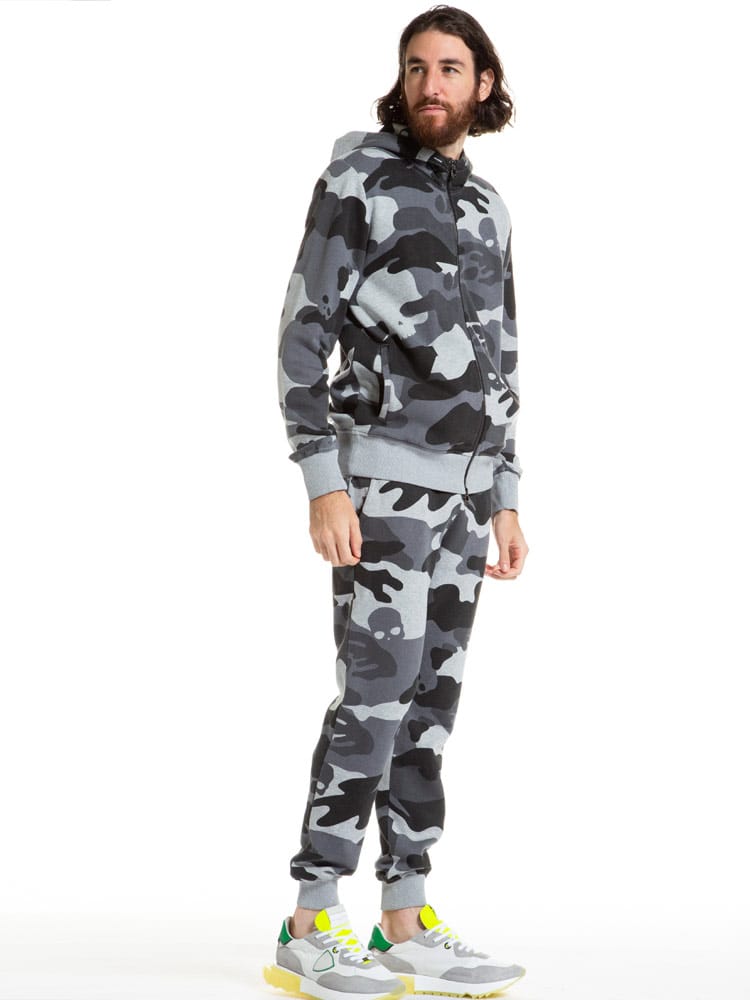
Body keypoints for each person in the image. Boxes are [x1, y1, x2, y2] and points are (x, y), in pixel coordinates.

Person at [264, 6, 529, 1000]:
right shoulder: (359, 178)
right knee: (372, 701)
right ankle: (308, 922)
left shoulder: (489, 208)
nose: (431, 84)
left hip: (464, 503)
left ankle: (406, 919)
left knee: (428, 709)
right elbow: (303, 330)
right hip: (382, 489)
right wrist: (323, 480)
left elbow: (504, 358)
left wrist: (506, 495)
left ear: (483, 85)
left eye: (451, 68)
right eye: (416, 67)